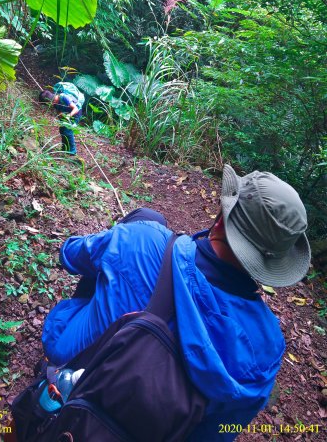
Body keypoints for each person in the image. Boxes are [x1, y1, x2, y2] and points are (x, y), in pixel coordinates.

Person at [42, 165, 311, 440]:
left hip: (75, 371)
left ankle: (57, 378)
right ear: (271, 264)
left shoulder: (144, 238)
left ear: (219, 221)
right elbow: (218, 432)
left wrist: (117, 244)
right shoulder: (268, 346)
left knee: (128, 237)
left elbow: (71, 255)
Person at [39, 88, 82, 155]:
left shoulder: (64, 97)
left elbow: (75, 109)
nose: (50, 105)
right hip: (66, 115)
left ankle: (72, 151)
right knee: (62, 130)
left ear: (51, 100)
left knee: (68, 131)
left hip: (75, 114)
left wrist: (68, 116)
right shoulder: (54, 103)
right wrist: (60, 116)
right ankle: (64, 148)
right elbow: (58, 111)